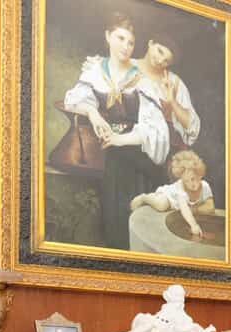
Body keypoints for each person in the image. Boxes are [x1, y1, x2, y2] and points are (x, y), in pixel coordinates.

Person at [62, 14, 172, 250]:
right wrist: (94, 113)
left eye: (130, 42)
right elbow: (75, 100)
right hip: (110, 154)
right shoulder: (95, 71)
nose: (126, 46)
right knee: (113, 222)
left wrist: (119, 139)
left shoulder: (141, 80)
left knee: (135, 223)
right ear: (108, 36)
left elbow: (156, 130)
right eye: (120, 38)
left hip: (138, 158)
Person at [130, 149, 214, 241]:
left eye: (193, 179)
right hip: (170, 197)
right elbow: (184, 208)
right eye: (186, 181)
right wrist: (194, 225)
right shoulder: (180, 188)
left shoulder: (205, 186)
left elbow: (210, 206)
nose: (191, 184)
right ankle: (144, 197)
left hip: (183, 207)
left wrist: (196, 209)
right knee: (161, 205)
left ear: (200, 174)